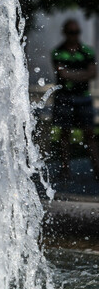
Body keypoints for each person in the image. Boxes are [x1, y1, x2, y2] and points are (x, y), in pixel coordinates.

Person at [51, 19, 99, 180]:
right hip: (65, 97)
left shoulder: (87, 51)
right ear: (65, 33)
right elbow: (62, 74)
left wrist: (71, 75)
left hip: (83, 98)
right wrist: (81, 75)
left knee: (89, 133)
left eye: (77, 32)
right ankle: (65, 170)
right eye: (71, 32)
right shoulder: (58, 52)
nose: (74, 36)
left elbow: (92, 73)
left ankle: (96, 169)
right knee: (64, 134)